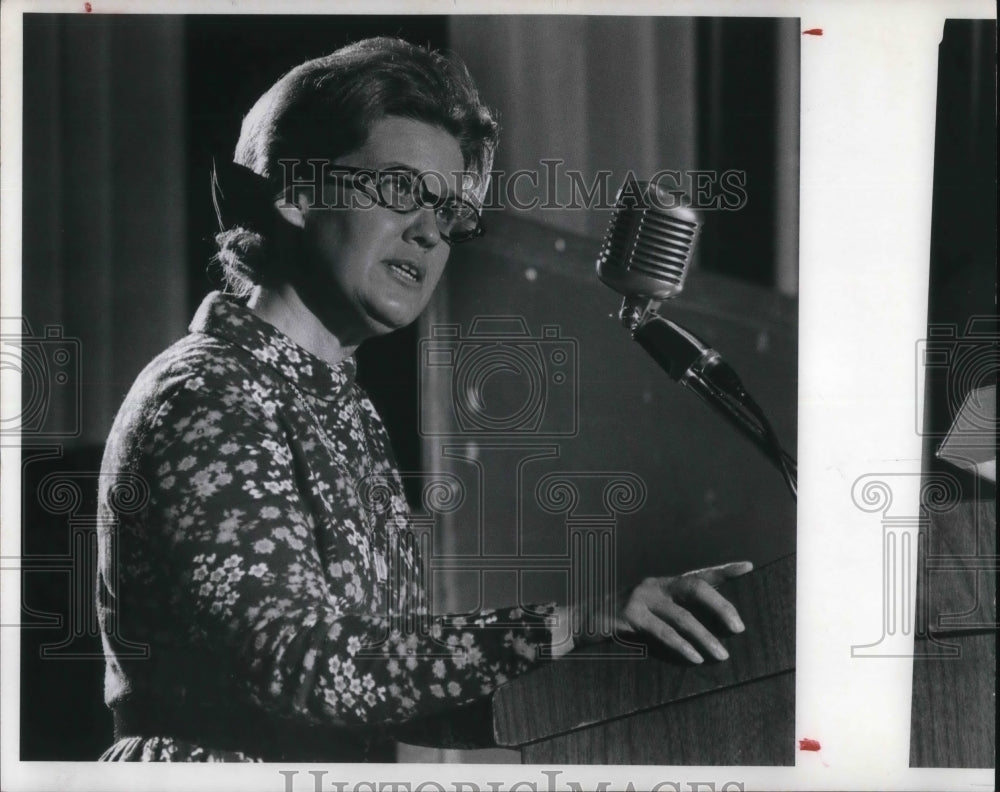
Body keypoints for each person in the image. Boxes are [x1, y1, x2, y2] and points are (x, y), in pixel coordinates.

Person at [96, 36, 751, 763]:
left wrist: (612, 660)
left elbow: (377, 688)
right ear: (295, 190)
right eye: (402, 190)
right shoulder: (209, 390)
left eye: (450, 213)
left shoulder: (341, 411)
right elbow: (295, 661)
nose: (432, 231)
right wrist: (563, 624)